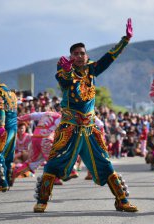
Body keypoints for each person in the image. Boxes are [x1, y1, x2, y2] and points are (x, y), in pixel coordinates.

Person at [33, 18, 137, 213]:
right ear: (70, 56)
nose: (80, 56)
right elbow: (63, 81)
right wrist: (65, 70)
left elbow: (109, 57)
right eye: (76, 54)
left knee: (104, 162)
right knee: (55, 162)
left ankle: (122, 201)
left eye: (82, 53)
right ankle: (42, 201)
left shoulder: (92, 69)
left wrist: (126, 39)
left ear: (86, 55)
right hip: (69, 128)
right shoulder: (64, 69)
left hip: (90, 129)